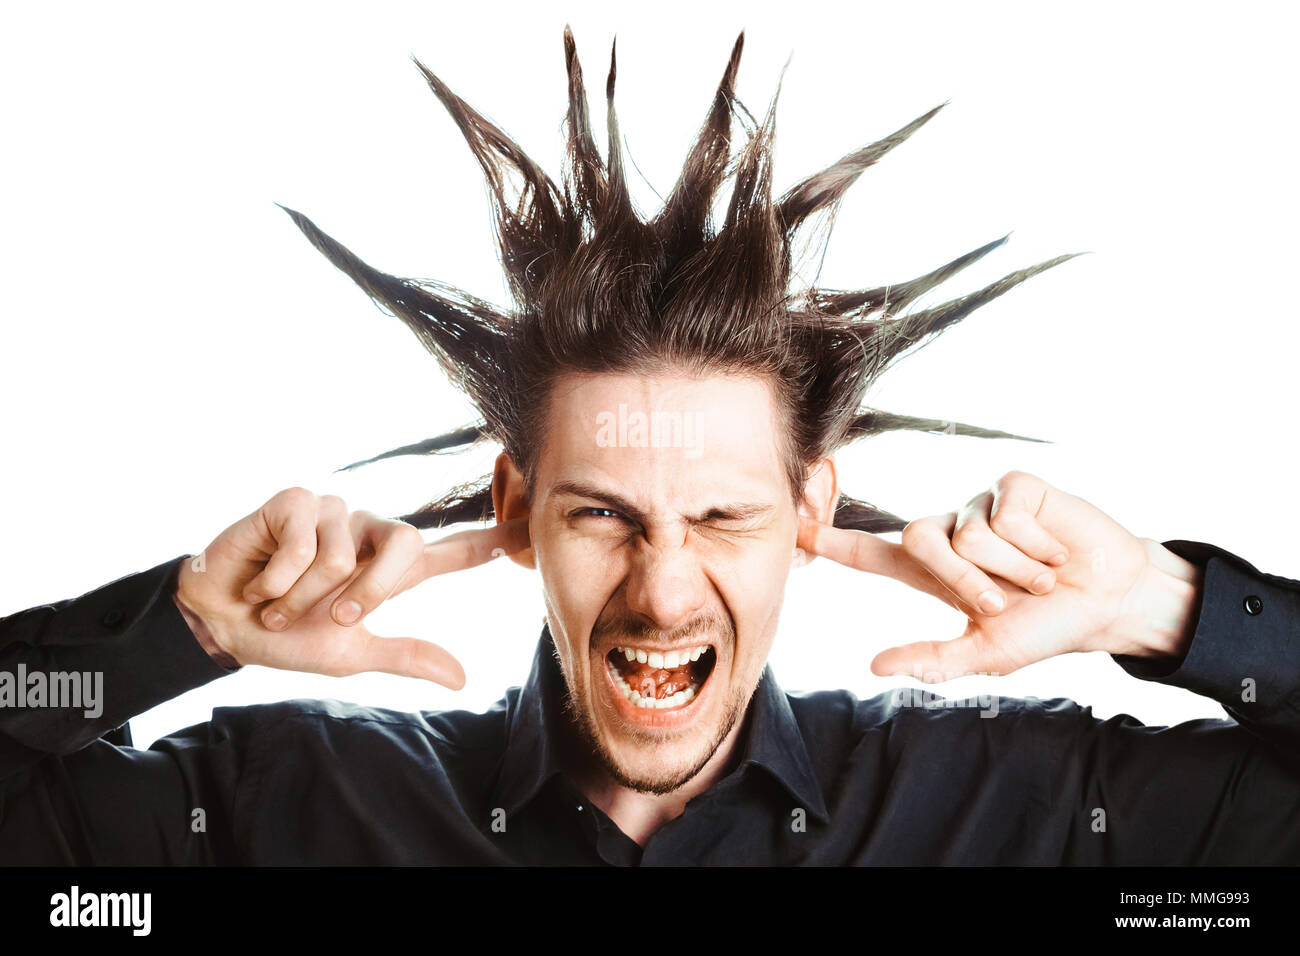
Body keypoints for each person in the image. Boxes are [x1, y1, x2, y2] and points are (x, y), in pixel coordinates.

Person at [2, 27, 1297, 865]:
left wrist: (1166, 607)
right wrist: (182, 629)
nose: (664, 590)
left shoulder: (1017, 812)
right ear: (517, 511)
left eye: (723, 516)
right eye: (604, 513)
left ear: (810, 513)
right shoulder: (280, 812)